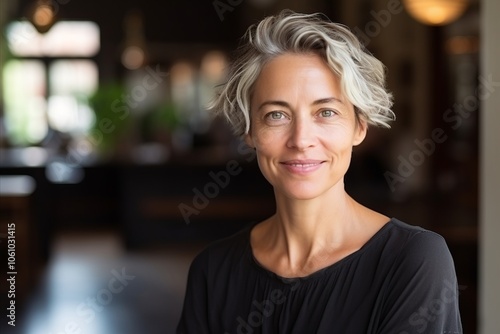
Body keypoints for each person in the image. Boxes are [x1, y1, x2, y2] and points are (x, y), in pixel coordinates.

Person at [177, 9, 462, 334]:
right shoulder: (213, 270)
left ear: (359, 128)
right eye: (276, 115)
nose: (301, 140)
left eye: (325, 112)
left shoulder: (413, 261)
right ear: (249, 131)